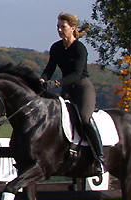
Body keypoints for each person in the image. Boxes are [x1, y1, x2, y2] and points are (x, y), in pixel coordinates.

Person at [41, 12, 105, 174]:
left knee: (84, 118)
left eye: (63, 27)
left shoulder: (79, 48)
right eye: (58, 27)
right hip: (67, 89)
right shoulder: (56, 47)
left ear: (73, 28)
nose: (60, 30)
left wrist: (56, 83)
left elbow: (76, 74)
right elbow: (50, 68)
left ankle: (100, 157)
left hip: (83, 88)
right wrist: (41, 81)